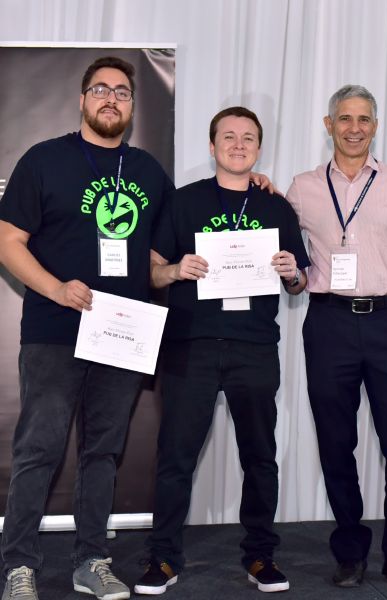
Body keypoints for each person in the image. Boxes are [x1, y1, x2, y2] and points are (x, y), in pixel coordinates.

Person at [0, 56, 175, 600]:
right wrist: (55, 288)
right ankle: (17, 566)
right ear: (82, 100)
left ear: (131, 106)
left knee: (103, 452)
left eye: (122, 92)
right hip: (56, 331)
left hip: (122, 334)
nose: (111, 99)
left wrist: (173, 272)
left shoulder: (148, 172)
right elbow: (7, 241)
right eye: (100, 89)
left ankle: (91, 561)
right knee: (39, 450)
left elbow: (153, 263)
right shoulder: (44, 160)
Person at [133, 106, 310, 596]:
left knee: (260, 456)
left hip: (254, 346)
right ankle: (163, 557)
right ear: (212, 146)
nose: (238, 144)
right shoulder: (183, 201)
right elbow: (151, 270)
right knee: (176, 457)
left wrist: (292, 272)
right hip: (191, 345)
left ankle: (260, 555)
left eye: (248, 137)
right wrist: (175, 270)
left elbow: (300, 282)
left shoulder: (277, 207)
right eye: (228, 136)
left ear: (259, 147)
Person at [286, 84, 387, 592]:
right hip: (328, 323)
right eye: (345, 118)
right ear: (328, 125)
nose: (354, 128)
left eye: (364, 120)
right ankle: (350, 552)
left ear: (375, 126)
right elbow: (286, 254)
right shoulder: (301, 188)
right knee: (336, 442)